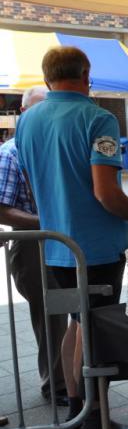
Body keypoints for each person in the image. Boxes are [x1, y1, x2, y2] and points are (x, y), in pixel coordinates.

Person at [15, 46, 128, 429]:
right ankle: (96, 421)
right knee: (95, 329)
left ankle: (75, 411)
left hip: (54, 244)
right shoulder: (100, 120)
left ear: (47, 78)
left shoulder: (27, 122)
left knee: (74, 324)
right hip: (96, 249)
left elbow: (34, 181)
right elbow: (106, 193)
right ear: (86, 74)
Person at [0, 86, 69, 405]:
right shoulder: (11, 152)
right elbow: (2, 207)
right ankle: (55, 385)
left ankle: (72, 378)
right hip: (34, 246)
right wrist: (48, 221)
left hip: (65, 240)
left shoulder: (57, 147)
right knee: (51, 315)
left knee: (71, 309)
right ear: (26, 113)